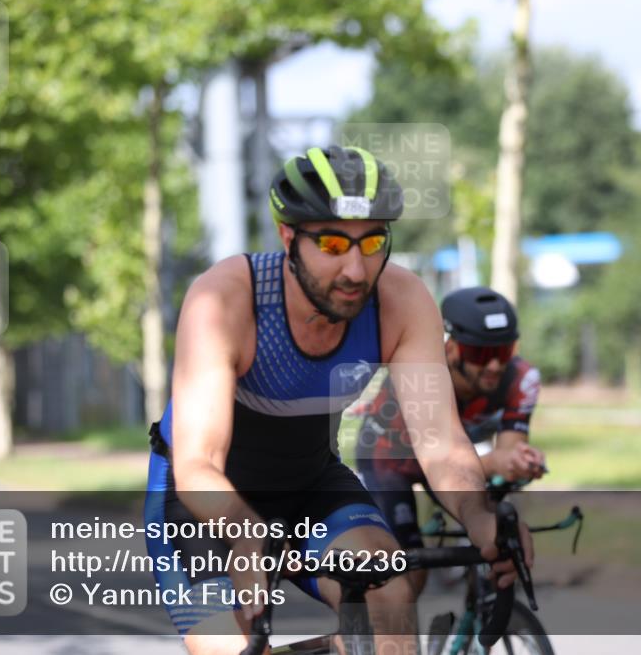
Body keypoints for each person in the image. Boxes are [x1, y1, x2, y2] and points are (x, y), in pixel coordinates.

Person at [143, 146, 534, 654]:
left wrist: (480, 518)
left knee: (389, 597)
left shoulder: (402, 301)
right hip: (205, 502)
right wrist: (243, 532)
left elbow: (439, 442)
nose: (355, 269)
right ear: (288, 237)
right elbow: (198, 463)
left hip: (311, 484)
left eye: (372, 243)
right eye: (332, 244)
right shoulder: (224, 299)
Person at [355, 286, 545, 595]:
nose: (495, 366)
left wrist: (519, 461)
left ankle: (478, 609)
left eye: (504, 352)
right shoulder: (422, 374)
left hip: (450, 456)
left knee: (494, 539)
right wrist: (496, 462)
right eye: (481, 354)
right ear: (452, 349)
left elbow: (507, 452)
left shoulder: (522, 379)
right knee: (408, 574)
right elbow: (441, 460)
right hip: (388, 461)